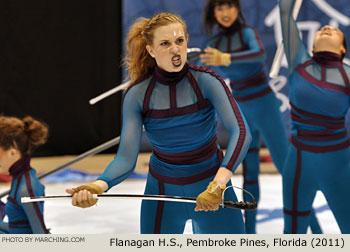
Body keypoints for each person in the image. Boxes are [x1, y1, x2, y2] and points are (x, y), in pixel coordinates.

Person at [66, 12, 251, 234]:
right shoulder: (137, 94)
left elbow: (241, 132)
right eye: (165, 43)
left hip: (212, 187)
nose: (175, 49)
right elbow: (125, 158)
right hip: (162, 194)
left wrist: (218, 185)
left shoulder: (208, 82)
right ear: (151, 50)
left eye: (179, 41)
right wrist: (98, 186)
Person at [200, 0, 322, 234]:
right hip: (242, 110)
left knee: (288, 170)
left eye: (228, 6)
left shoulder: (247, 33)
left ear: (237, 8)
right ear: (213, 13)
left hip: (265, 106)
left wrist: (225, 59)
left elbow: (257, 55)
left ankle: (317, 232)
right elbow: (199, 66)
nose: (224, 12)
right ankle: (249, 234)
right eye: (219, 8)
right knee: (250, 175)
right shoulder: (214, 44)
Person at [280, 0, 350, 233]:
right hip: (299, 162)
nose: (326, 28)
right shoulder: (298, 62)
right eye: (321, 29)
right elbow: (285, 12)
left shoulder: (349, 75)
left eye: (334, 30)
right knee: (292, 234)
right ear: (312, 48)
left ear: (343, 49)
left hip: (340, 164)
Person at [0, 115, 50, 234]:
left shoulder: (26, 189)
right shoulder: (19, 178)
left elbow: (40, 236)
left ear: (12, 152)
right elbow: (18, 228)